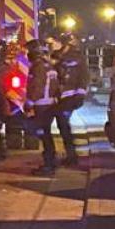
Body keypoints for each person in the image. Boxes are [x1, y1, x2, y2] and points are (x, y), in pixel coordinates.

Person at [53, 32, 88, 167]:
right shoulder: (60, 56)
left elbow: (83, 77)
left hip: (70, 98)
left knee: (64, 126)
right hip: (62, 98)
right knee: (63, 127)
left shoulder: (75, 58)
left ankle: (72, 157)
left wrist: (79, 95)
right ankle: (70, 155)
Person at [25, 39, 60, 175]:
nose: (28, 54)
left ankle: (49, 165)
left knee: (41, 133)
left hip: (41, 105)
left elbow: (37, 87)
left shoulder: (37, 67)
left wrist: (29, 103)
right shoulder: (48, 65)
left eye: (29, 51)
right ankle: (51, 162)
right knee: (46, 134)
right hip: (49, 104)